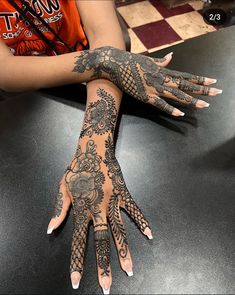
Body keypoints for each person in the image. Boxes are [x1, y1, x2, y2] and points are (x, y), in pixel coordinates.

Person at [0, 1, 223, 294]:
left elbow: (103, 30)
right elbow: (6, 70)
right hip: (27, 103)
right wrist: (105, 60)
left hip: (93, 84)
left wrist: (95, 142)